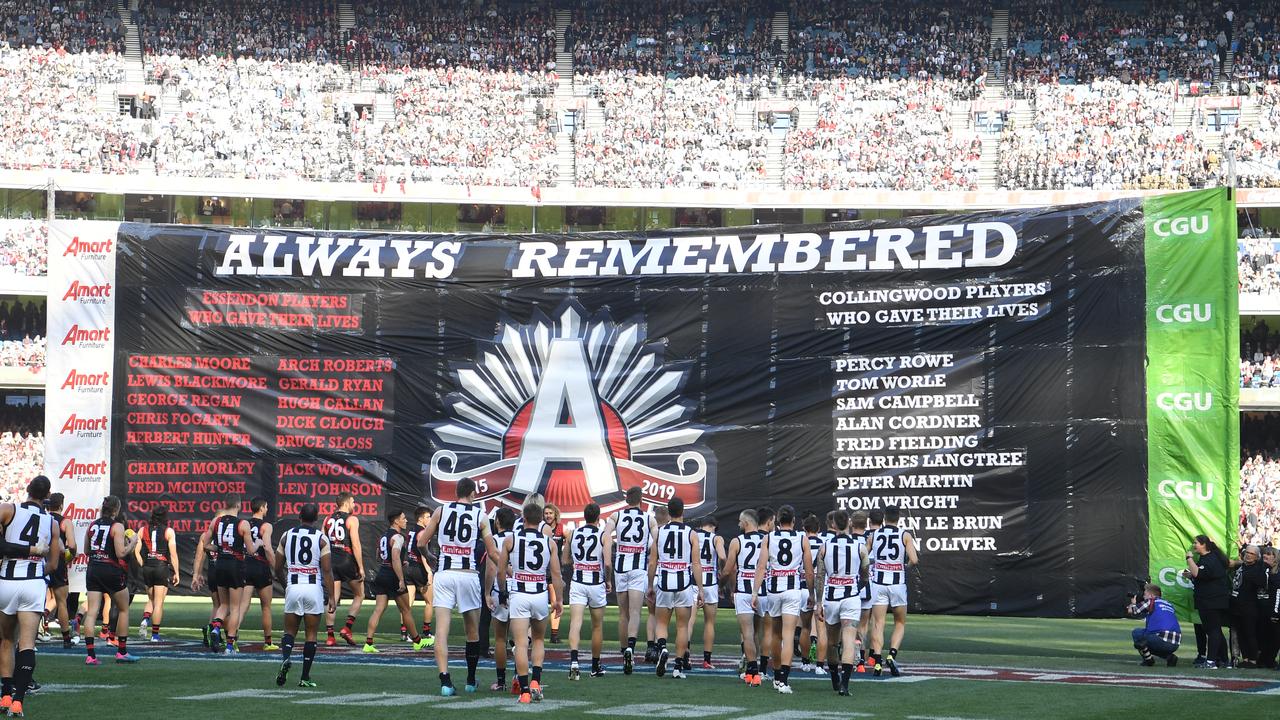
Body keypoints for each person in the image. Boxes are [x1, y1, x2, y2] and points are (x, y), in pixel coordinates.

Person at [418, 478, 499, 695]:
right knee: (472, 632)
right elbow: (492, 552)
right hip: (467, 575)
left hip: (444, 574)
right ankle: (471, 680)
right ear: (473, 493)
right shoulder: (480, 516)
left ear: (456, 492)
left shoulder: (440, 511)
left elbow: (420, 543)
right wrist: (509, 570)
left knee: (441, 632)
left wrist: (429, 556)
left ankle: (445, 681)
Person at [0, 476, 59, 718]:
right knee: (27, 644)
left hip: (6, 581)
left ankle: (4, 694)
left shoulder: (7, 509)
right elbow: (53, 564)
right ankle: (18, 702)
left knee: (5, 640)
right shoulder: (52, 522)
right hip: (33, 583)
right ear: (47, 496)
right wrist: (34, 567)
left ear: (27, 489)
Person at [496, 502, 564, 703]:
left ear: (523, 519)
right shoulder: (549, 541)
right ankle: (536, 681)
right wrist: (558, 599)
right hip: (540, 594)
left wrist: (501, 592)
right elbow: (557, 573)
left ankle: (525, 691)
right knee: (539, 640)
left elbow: (501, 571)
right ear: (541, 520)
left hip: (519, 594)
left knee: (520, 643)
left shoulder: (511, 539)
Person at [273, 503, 335, 688]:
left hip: (293, 586)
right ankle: (305, 676)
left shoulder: (286, 535)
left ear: (299, 516)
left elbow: (277, 567)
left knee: (289, 632)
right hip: (313, 588)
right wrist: (332, 596)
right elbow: (327, 570)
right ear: (316, 519)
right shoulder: (321, 538)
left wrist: (286, 585)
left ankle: (286, 658)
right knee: (311, 634)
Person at [755, 504, 812, 693]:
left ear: (778, 521)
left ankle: (777, 674)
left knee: (775, 634)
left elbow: (761, 567)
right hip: (792, 590)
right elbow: (809, 570)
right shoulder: (802, 538)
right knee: (788, 635)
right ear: (794, 521)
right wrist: (812, 593)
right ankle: (783, 680)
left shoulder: (768, 538)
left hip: (773, 589)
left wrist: (755, 592)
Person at [647, 497, 704, 680]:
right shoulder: (691, 533)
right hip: (683, 582)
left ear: (669, 513)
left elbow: (653, 561)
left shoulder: (659, 532)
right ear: (683, 512)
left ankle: (663, 648)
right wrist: (701, 589)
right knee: (682, 626)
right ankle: (678, 667)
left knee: (662, 623)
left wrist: (650, 585)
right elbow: (696, 563)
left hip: (664, 580)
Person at [363, 510, 432, 653]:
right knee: (406, 610)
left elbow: (378, 556)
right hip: (392, 575)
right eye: (403, 518)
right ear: (396, 521)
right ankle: (417, 641)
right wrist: (400, 578)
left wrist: (401, 562)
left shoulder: (384, 535)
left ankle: (368, 643)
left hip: (382, 573)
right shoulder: (398, 537)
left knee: (378, 610)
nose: (406, 521)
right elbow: (394, 557)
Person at [83, 495, 141, 664]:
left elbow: (87, 551)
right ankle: (122, 651)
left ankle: (90, 655)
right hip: (110, 570)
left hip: (93, 568)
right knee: (123, 609)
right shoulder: (117, 526)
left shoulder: (92, 525)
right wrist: (133, 542)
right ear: (116, 510)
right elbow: (121, 553)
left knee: (92, 612)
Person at [816, 510, 867, 696]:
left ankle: (834, 679)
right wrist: (853, 585)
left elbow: (820, 576)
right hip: (851, 598)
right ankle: (845, 684)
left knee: (831, 642)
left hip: (831, 598)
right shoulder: (860, 547)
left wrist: (818, 603)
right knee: (848, 641)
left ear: (834, 525)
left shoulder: (825, 547)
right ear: (850, 524)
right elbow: (866, 575)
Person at [201, 494, 259, 654]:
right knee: (234, 608)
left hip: (220, 564)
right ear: (239, 505)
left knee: (223, 605)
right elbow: (251, 550)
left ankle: (215, 627)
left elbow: (205, 544)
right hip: (236, 565)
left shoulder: (216, 521)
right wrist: (258, 543)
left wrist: (220, 549)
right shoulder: (243, 524)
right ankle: (229, 646)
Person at [606, 486, 655, 674]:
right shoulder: (648, 518)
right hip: (638, 568)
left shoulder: (616, 516)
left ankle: (623, 651)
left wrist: (609, 559)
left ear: (627, 499)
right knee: (635, 612)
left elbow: (606, 535)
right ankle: (630, 650)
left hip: (620, 567)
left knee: (622, 614)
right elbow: (656, 541)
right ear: (641, 500)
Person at [867, 504, 918, 677]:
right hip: (897, 583)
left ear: (884, 518)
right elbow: (914, 559)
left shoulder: (874, 535)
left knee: (878, 623)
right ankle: (892, 654)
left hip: (879, 582)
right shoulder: (904, 535)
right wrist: (904, 567)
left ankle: (878, 662)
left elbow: (864, 556)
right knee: (900, 623)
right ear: (898, 518)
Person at [564, 502, 611, 680]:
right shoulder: (603, 535)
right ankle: (595, 666)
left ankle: (574, 661)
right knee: (597, 626)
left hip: (578, 581)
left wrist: (579, 563)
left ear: (584, 517)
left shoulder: (573, 533)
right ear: (598, 518)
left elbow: (565, 559)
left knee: (575, 623)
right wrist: (608, 581)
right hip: (596, 582)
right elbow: (607, 562)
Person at [721, 509, 763, 686]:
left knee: (747, 634)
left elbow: (729, 569)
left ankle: (751, 671)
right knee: (760, 634)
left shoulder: (737, 542)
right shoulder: (767, 539)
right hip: (763, 591)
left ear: (746, 523)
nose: (738, 524)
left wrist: (721, 585)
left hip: (744, 591)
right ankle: (761, 671)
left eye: (740, 521)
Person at [323, 492, 365, 647]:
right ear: (346, 503)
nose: (354, 505)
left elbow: (323, 540)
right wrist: (360, 567)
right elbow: (356, 544)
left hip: (331, 560)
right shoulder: (352, 519)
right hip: (346, 559)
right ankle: (347, 628)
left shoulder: (328, 519)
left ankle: (330, 637)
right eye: (353, 502)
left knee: (332, 599)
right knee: (360, 594)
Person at [1184, 534, 1230, 668]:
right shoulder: (1211, 558)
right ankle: (1223, 660)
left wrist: (1189, 559)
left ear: (1204, 544)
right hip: (1212, 600)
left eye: (1196, 543)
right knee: (1216, 631)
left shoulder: (1210, 559)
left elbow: (1199, 573)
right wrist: (1191, 575)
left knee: (1213, 630)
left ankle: (1211, 661)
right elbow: (1202, 576)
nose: (1194, 545)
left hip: (1211, 601)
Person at [134, 507, 178, 643]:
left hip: (148, 567)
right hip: (161, 567)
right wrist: (176, 572)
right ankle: (155, 635)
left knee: (151, 599)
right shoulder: (168, 531)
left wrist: (143, 564)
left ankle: (145, 619)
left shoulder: (142, 530)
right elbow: (173, 554)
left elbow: (136, 551)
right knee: (158, 603)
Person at [485, 508, 516, 692]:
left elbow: (491, 570)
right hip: (520, 589)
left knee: (499, 639)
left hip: (501, 588)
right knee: (520, 638)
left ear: (497, 522)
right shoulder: (519, 538)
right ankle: (521, 678)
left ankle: (501, 681)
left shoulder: (495, 540)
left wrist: (487, 592)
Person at [691, 516, 724, 669]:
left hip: (692, 581)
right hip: (710, 583)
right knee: (709, 623)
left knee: (687, 623)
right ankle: (707, 660)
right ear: (714, 526)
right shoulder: (716, 538)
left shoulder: (693, 535)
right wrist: (722, 570)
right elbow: (723, 556)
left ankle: (685, 657)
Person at [243, 498, 277, 650]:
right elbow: (268, 548)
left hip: (245, 565)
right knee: (266, 607)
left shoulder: (244, 524)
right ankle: (268, 643)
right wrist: (276, 567)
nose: (267, 509)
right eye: (266, 507)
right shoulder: (266, 525)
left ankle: (231, 638)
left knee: (242, 606)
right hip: (261, 566)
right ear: (262, 508)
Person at [45, 493, 76, 649]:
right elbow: (72, 546)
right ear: (62, 505)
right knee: (61, 602)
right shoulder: (65, 522)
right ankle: (66, 639)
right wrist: (69, 558)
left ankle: (34, 633)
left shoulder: (42, 518)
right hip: (57, 564)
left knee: (38, 601)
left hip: (41, 561)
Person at [1230, 544, 1267, 667]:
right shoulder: (1242, 566)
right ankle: (1245, 658)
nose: (1248, 555)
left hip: (1250, 606)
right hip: (1237, 606)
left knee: (1250, 633)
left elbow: (1262, 583)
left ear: (1257, 557)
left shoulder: (1258, 569)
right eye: (1247, 552)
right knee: (1241, 633)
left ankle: (1253, 659)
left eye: (1252, 554)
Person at [1126, 583, 1181, 667]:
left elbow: (1132, 611)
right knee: (1146, 639)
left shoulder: (1151, 601)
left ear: (1151, 595)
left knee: (1137, 635)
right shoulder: (1168, 604)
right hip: (1175, 643)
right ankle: (1169, 657)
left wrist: (1133, 603)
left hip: (1160, 639)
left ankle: (1148, 660)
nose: (1143, 597)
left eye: (1145, 595)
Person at [191, 504, 222, 649]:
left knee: (217, 605)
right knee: (228, 606)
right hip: (224, 571)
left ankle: (211, 629)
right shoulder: (228, 533)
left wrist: (196, 575)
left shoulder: (206, 535)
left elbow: (199, 557)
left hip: (212, 571)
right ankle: (224, 635)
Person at [855, 508, 882, 672]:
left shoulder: (846, 540)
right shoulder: (872, 538)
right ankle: (868, 658)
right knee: (868, 623)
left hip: (848, 585)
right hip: (868, 584)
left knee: (850, 625)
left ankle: (857, 658)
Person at [404, 506, 435, 645]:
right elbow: (423, 554)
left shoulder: (411, 530)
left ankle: (404, 632)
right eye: (428, 517)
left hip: (409, 567)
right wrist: (429, 571)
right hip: (419, 568)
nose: (430, 519)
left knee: (407, 604)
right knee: (430, 601)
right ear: (421, 518)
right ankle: (427, 632)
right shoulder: (423, 532)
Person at [543, 504, 564, 645]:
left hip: (554, 570)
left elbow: (571, 540)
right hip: (540, 569)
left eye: (550, 513)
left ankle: (554, 634)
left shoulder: (562, 529)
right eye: (546, 513)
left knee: (555, 602)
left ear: (555, 514)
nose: (548, 516)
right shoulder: (541, 528)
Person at [1259, 546, 1279, 669]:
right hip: (1265, 610)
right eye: (1265, 553)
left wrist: (1276, 612)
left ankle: (1269, 660)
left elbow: (1278, 594)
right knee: (1266, 637)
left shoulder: (1277, 575)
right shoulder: (1265, 570)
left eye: (1269, 554)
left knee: (1276, 638)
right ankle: (1265, 660)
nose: (1265, 555)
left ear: (1276, 558)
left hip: (1274, 611)